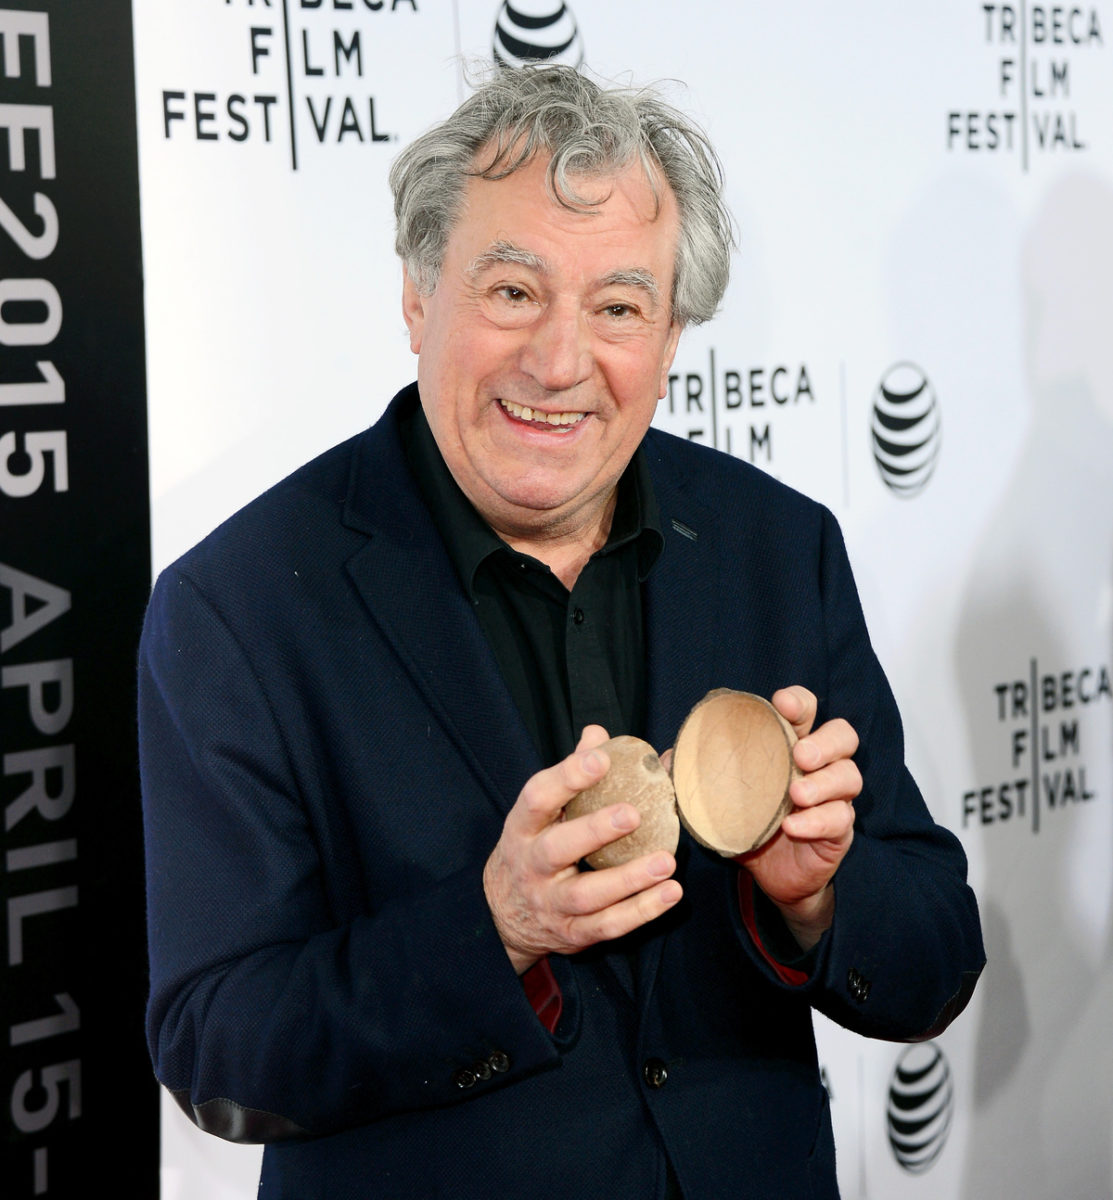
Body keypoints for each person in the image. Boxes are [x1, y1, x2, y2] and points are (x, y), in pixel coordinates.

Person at [138, 66, 984, 1199]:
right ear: (417, 297)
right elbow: (215, 1050)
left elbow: (937, 959)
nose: (558, 361)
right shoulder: (240, 608)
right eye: (512, 291)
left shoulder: (778, 548)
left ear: (672, 335)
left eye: (618, 308)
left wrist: (817, 897)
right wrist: (493, 933)